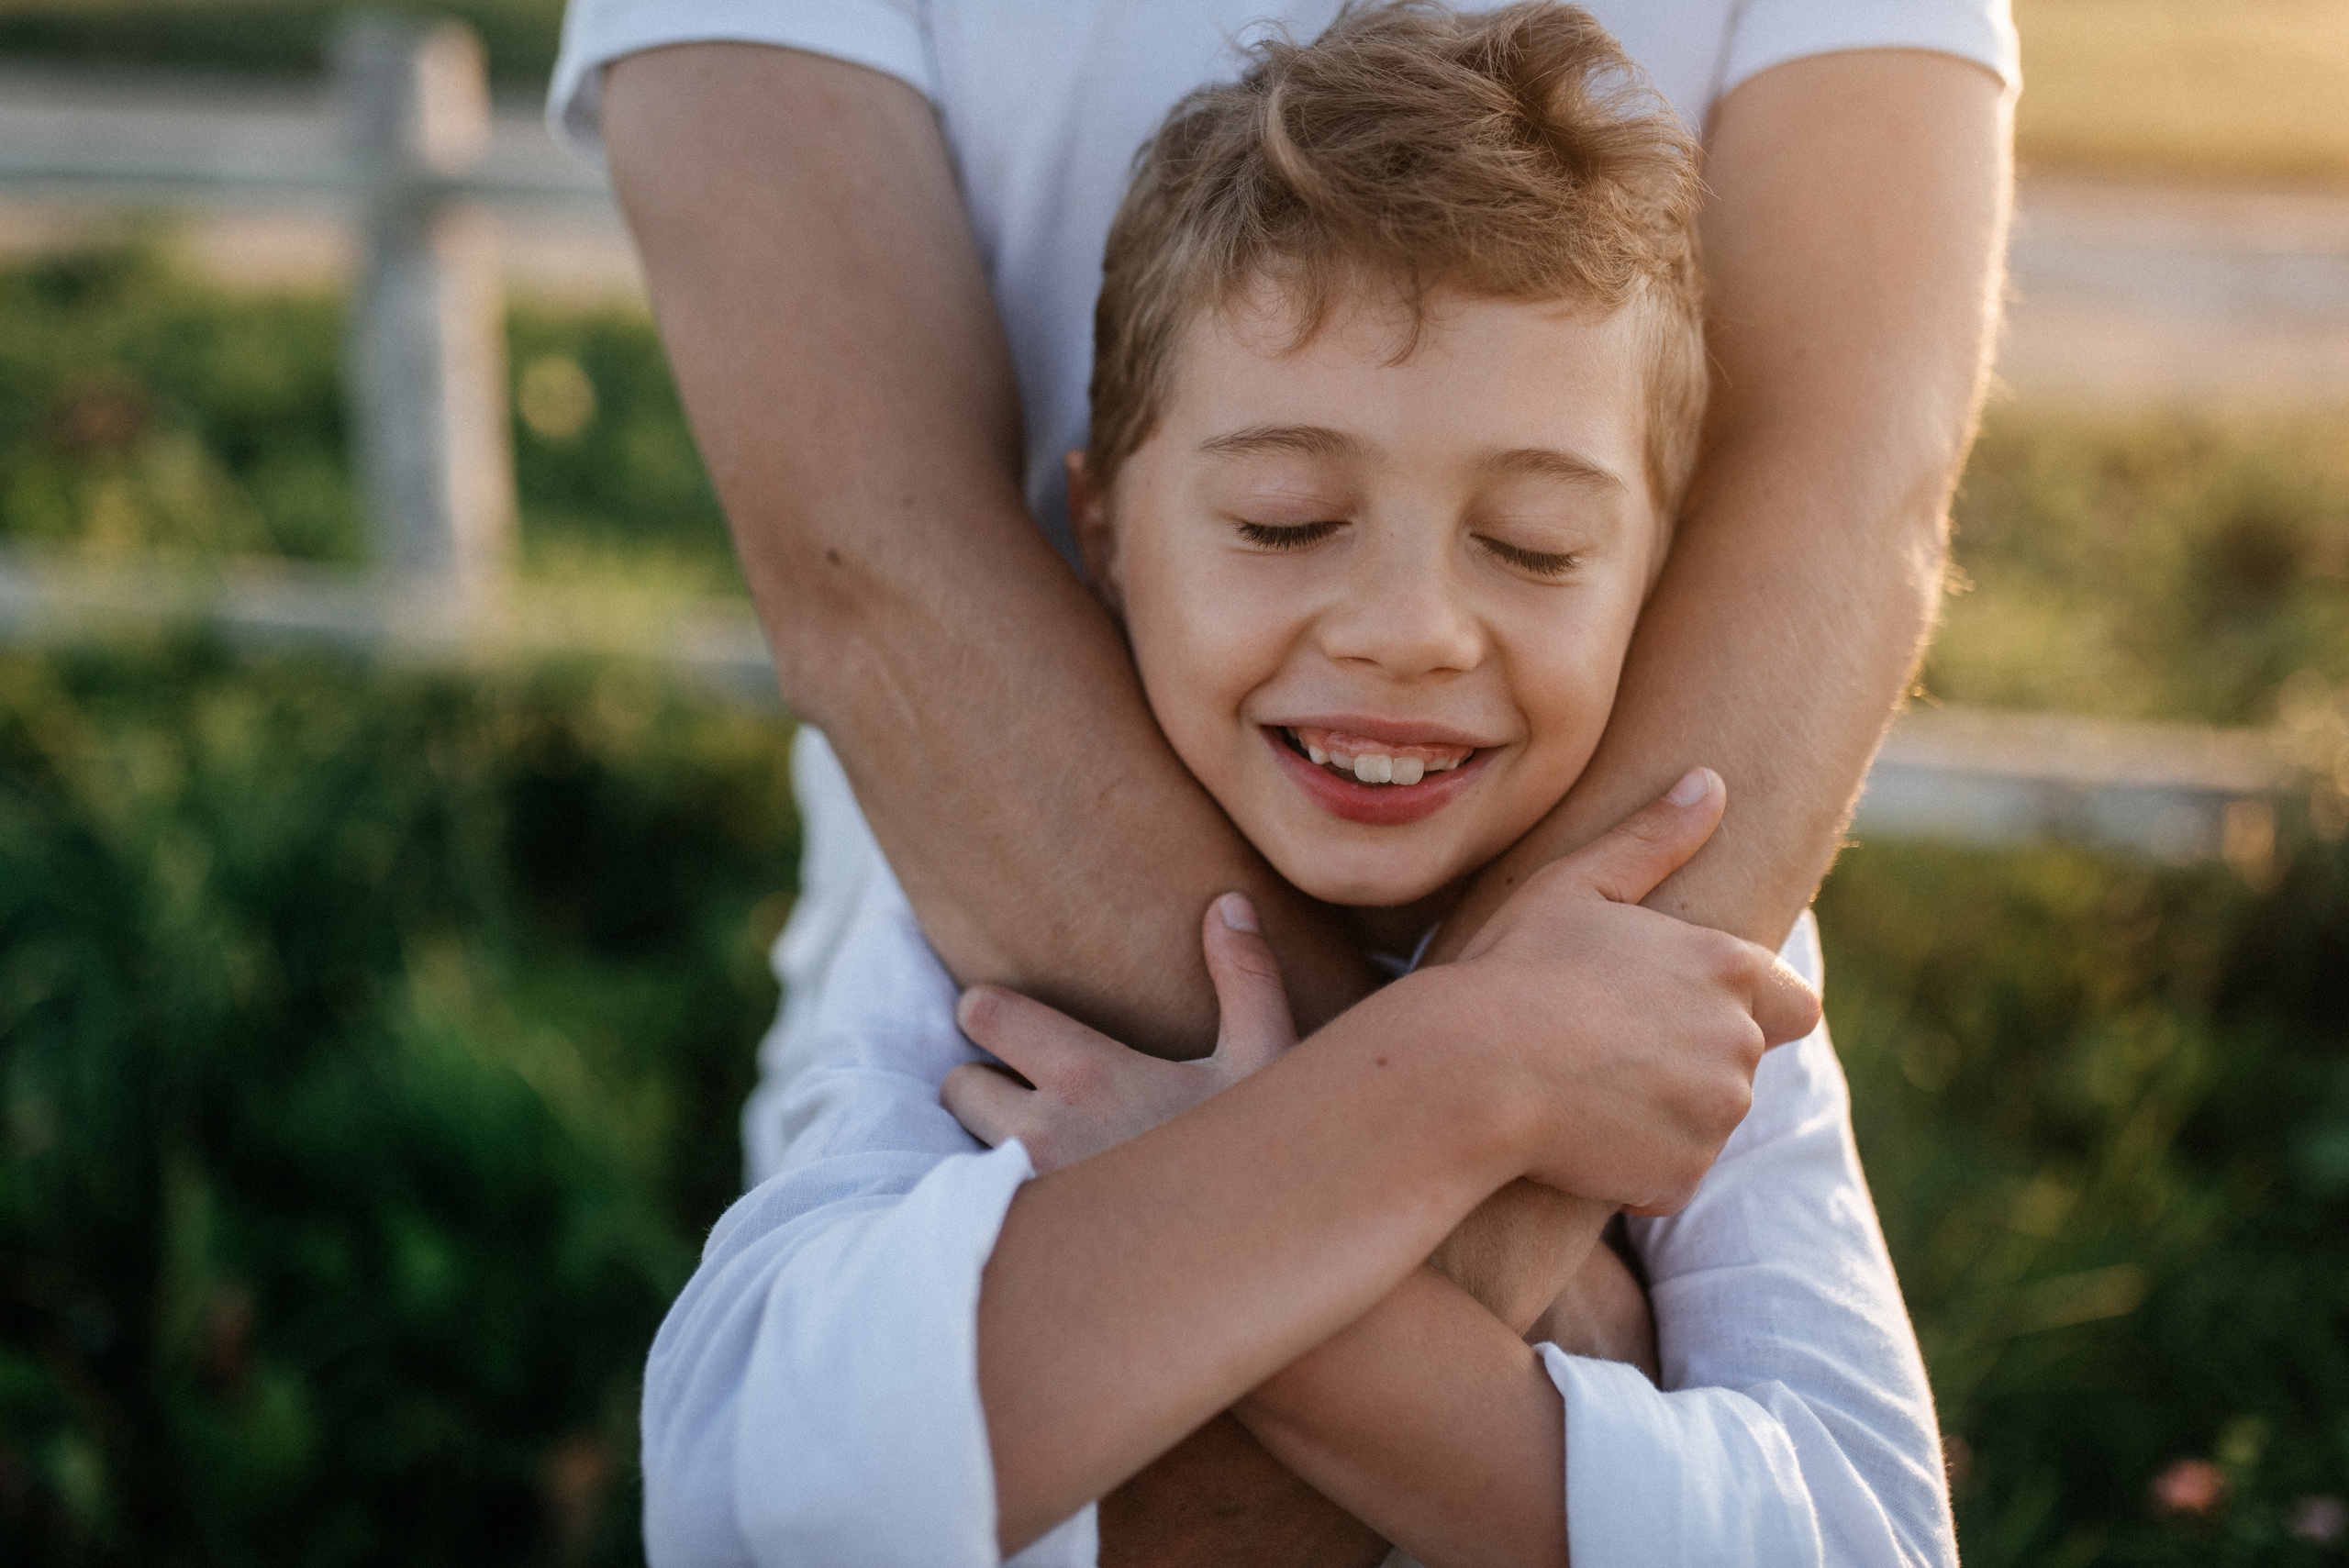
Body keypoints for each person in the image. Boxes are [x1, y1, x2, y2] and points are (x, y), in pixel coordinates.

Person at [549, 0, 2015, 1559]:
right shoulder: (965, 963)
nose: (1407, 631)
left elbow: (1864, 1533)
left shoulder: (1702, 984)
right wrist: (1483, 1117)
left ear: (1652, 569)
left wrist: (1226, 1197)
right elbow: (759, 1491)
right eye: (1285, 519)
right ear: (1102, 532)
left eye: (1532, 545)